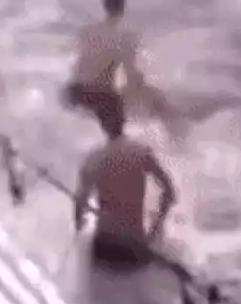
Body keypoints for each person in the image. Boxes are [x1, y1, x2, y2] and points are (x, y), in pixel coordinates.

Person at [73, 91, 178, 273]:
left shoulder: (94, 159)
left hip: (104, 247)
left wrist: (80, 221)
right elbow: (169, 192)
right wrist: (154, 229)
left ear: (102, 124)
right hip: (134, 246)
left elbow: (79, 205)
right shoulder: (141, 153)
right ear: (124, 120)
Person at [61, 0, 180, 138]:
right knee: (151, 102)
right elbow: (132, 79)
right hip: (100, 98)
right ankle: (176, 140)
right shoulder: (124, 37)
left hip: (73, 92)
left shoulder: (87, 31)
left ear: (104, 4)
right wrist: (154, 99)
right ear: (123, 6)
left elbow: (83, 66)